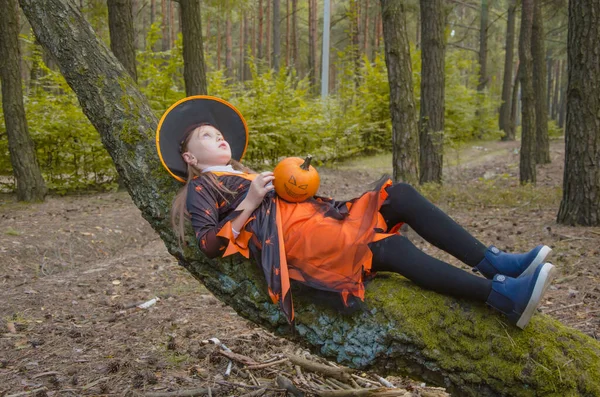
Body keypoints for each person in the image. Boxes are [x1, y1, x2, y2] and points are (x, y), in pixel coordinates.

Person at [157, 96, 556, 330]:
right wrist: (249, 202)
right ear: (191, 157)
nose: (219, 136)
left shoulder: (241, 172)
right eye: (207, 136)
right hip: (296, 242)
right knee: (388, 248)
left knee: (398, 195)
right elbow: (208, 244)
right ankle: (502, 296)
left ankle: (494, 263)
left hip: (315, 217)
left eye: (220, 133)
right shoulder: (200, 188)